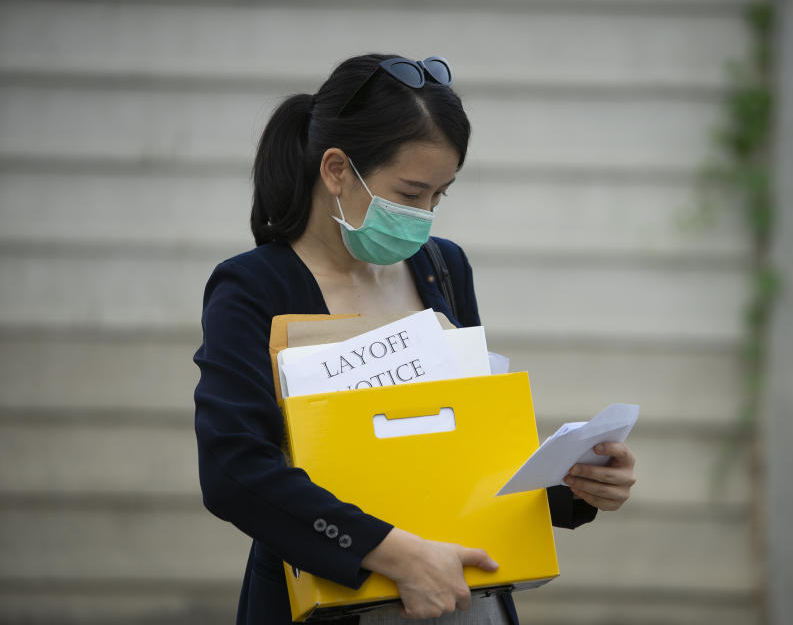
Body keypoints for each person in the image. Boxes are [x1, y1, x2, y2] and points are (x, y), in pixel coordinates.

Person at [193, 53, 637, 625]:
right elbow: (234, 469)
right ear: (336, 171)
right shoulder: (253, 286)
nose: (425, 215)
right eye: (408, 194)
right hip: (333, 603)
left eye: (440, 195)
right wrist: (398, 557)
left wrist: (574, 485)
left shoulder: (442, 268)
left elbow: (460, 448)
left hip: (467, 600)